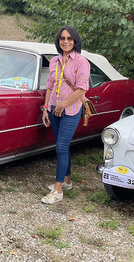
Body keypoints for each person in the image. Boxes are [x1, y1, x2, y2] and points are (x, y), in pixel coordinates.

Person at [40, 25, 90, 204]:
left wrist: (63, 105)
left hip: (70, 110)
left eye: (69, 38)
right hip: (54, 108)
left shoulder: (81, 61)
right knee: (63, 146)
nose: (66, 41)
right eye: (62, 38)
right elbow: (50, 85)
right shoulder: (54, 61)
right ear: (58, 41)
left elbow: (82, 89)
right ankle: (67, 180)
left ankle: (58, 189)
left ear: (75, 41)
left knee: (61, 147)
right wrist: (46, 107)